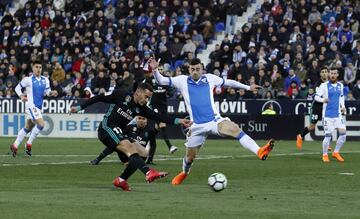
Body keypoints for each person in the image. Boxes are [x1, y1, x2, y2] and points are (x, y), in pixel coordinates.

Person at [149, 57, 275, 185]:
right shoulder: (182, 81)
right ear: (189, 69)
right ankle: (184, 173)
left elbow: (228, 82)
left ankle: (259, 151)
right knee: (190, 158)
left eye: (198, 69)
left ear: (202, 69)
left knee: (234, 129)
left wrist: (248, 87)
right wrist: (154, 70)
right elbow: (162, 80)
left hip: (214, 120)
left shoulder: (210, 78)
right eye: (192, 69)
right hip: (196, 126)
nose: (195, 72)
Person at [70, 83, 192, 191]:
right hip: (106, 128)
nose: (147, 100)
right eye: (146, 97)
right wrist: (80, 107)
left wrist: (179, 120)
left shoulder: (141, 108)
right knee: (128, 146)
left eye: (149, 98)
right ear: (138, 92)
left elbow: (160, 117)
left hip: (119, 132)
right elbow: (99, 98)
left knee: (143, 152)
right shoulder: (121, 95)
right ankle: (148, 172)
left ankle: (121, 180)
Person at [11, 60, 58, 157]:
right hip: (31, 106)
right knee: (41, 124)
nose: (38, 69)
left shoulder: (45, 80)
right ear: (32, 68)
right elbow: (17, 88)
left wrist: (52, 93)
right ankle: (28, 144)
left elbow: (47, 92)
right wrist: (21, 96)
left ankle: (15, 145)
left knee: (27, 128)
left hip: (38, 108)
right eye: (36, 67)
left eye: (40, 67)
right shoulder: (27, 79)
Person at [143, 64, 178, 164]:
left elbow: (171, 91)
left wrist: (170, 91)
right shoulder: (150, 80)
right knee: (162, 124)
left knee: (157, 129)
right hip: (155, 106)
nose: (161, 70)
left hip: (163, 105)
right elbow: (144, 87)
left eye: (162, 69)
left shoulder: (165, 80)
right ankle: (170, 146)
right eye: (159, 69)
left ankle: (147, 141)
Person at [90, 116, 155, 165]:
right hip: (126, 154)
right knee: (115, 142)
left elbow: (153, 144)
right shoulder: (129, 127)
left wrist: (150, 159)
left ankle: (133, 162)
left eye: (143, 119)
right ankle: (97, 159)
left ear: (146, 121)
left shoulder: (150, 130)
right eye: (139, 118)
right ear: (136, 119)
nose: (141, 120)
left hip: (140, 155)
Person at [315, 68, 347, 162]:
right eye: (331, 73)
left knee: (343, 134)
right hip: (327, 115)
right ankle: (325, 155)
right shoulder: (324, 85)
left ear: (337, 75)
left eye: (334, 73)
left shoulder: (340, 85)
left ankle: (336, 152)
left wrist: (343, 106)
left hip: (338, 115)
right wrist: (323, 100)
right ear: (329, 75)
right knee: (328, 135)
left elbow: (341, 97)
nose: (333, 75)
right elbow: (316, 97)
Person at [296, 66, 331, 150]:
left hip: (326, 107)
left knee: (328, 125)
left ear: (328, 73)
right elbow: (316, 97)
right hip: (317, 107)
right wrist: (324, 100)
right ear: (320, 74)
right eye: (322, 72)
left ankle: (327, 143)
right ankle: (300, 136)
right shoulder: (318, 84)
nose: (324, 73)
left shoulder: (331, 83)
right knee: (312, 126)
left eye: (326, 71)